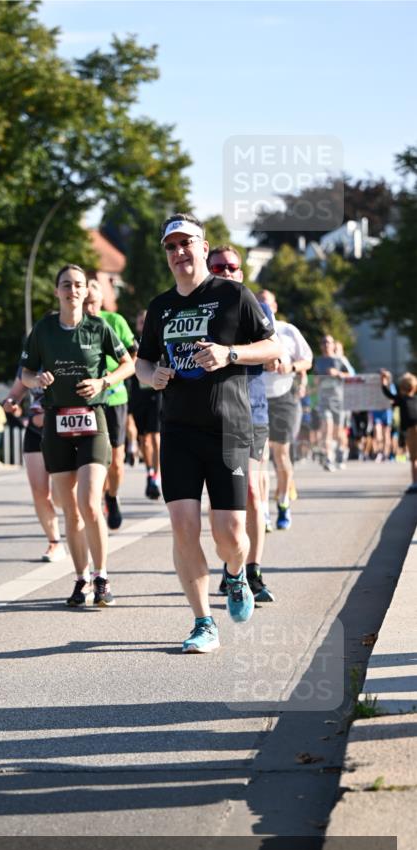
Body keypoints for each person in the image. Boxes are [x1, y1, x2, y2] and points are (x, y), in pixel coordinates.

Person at [135, 214, 280, 653]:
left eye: (187, 243)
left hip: (230, 428)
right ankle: (202, 622)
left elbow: (274, 348)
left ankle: (235, 575)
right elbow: (142, 363)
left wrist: (229, 352)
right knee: (183, 528)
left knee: (232, 535)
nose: (179, 252)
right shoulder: (161, 307)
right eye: (171, 246)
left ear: (204, 246)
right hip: (177, 429)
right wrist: (152, 376)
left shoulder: (234, 294)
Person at [21, 263, 134, 607]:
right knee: (68, 508)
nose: (72, 290)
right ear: (57, 291)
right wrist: (36, 380)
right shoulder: (43, 330)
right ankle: (80, 579)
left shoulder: (99, 328)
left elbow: (128, 364)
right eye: (66, 285)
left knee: (89, 502)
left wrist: (104, 382)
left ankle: (102, 577)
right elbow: (25, 372)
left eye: (79, 285)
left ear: (87, 292)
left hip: (92, 421)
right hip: (56, 423)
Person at [208, 247, 274, 603]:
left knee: (251, 490)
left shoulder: (255, 307)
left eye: (234, 267)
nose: (228, 271)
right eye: (220, 267)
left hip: (252, 411)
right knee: (222, 496)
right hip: (214, 412)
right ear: (209, 269)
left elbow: (272, 347)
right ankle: (231, 561)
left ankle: (254, 571)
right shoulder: (200, 309)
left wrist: (233, 352)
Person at [255, 290, 313, 530]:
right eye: (258, 305)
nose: (262, 309)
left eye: (266, 304)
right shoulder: (248, 331)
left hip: (284, 397)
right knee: (260, 458)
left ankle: (282, 501)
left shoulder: (288, 331)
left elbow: (308, 360)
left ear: (275, 307)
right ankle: (263, 512)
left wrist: (291, 365)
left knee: (281, 454)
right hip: (256, 398)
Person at [83, 278, 137, 529]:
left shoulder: (114, 321)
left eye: (93, 303)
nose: (89, 309)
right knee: (93, 458)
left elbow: (133, 354)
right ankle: (94, 503)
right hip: (86, 401)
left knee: (115, 459)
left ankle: (112, 496)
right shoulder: (75, 325)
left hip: (114, 397)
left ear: (102, 301)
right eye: (85, 304)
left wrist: (113, 379)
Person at [3, 372, 66, 563]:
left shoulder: (65, 352)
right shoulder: (29, 360)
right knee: (39, 492)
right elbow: (16, 391)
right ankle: (54, 542)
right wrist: (10, 402)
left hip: (62, 429)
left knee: (61, 497)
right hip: (34, 431)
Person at [129, 309, 162, 500]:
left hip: (157, 394)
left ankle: (155, 477)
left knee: (155, 438)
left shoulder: (159, 338)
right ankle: (150, 472)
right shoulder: (131, 344)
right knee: (144, 440)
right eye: (141, 321)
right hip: (138, 396)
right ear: (137, 325)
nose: (144, 323)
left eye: (146, 320)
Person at [313, 334, 353, 471]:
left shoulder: (340, 360)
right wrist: (317, 380)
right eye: (323, 342)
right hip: (324, 400)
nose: (326, 345)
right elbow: (314, 379)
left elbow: (351, 375)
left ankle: (341, 453)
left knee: (338, 432)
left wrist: (338, 373)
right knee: (326, 428)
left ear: (332, 345)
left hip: (339, 400)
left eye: (328, 342)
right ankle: (328, 458)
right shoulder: (318, 361)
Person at [380, 369, 417, 493]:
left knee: (414, 459)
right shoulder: (414, 399)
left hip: (411, 430)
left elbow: (389, 395)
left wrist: (383, 383)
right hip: (413, 427)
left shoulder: (401, 399)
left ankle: (415, 483)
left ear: (401, 388)